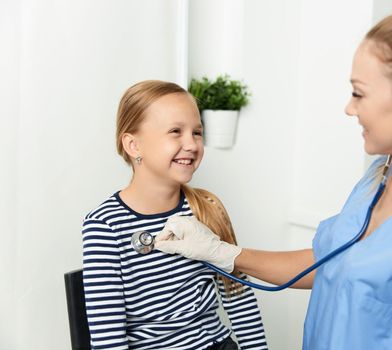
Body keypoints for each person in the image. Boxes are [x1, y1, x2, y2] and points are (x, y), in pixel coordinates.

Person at [153, 0, 392, 349]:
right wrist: (222, 253)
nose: (349, 108)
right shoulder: (377, 182)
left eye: (358, 93)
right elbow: (328, 265)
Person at [82, 80, 268, 350]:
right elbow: (108, 339)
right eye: (175, 132)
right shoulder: (104, 226)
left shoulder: (205, 207)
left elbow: (238, 297)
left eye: (197, 133)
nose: (191, 144)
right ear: (134, 146)